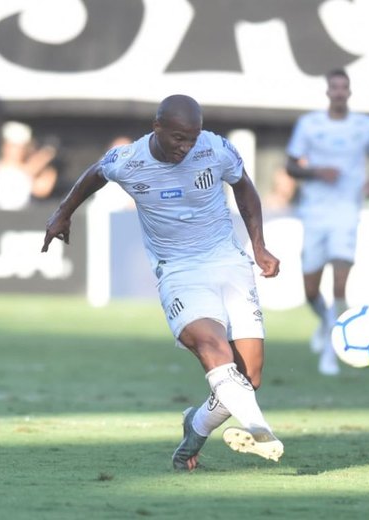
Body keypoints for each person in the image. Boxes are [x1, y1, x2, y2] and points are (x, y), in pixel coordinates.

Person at [41, 95, 284, 470]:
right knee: (212, 346)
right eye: (178, 138)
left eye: (192, 138)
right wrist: (62, 213)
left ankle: (195, 426)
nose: (186, 148)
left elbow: (245, 187)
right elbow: (94, 174)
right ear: (157, 128)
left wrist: (260, 246)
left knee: (248, 376)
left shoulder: (216, 149)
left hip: (228, 262)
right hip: (179, 271)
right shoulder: (129, 160)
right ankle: (259, 428)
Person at [285, 68, 369, 375]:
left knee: (340, 283)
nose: (339, 92)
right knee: (311, 290)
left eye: (344, 87)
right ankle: (325, 321)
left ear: (350, 91)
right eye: (335, 87)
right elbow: (291, 166)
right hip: (315, 212)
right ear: (328, 91)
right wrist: (317, 172)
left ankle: (331, 351)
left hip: (347, 211)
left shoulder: (365, 126)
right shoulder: (309, 124)